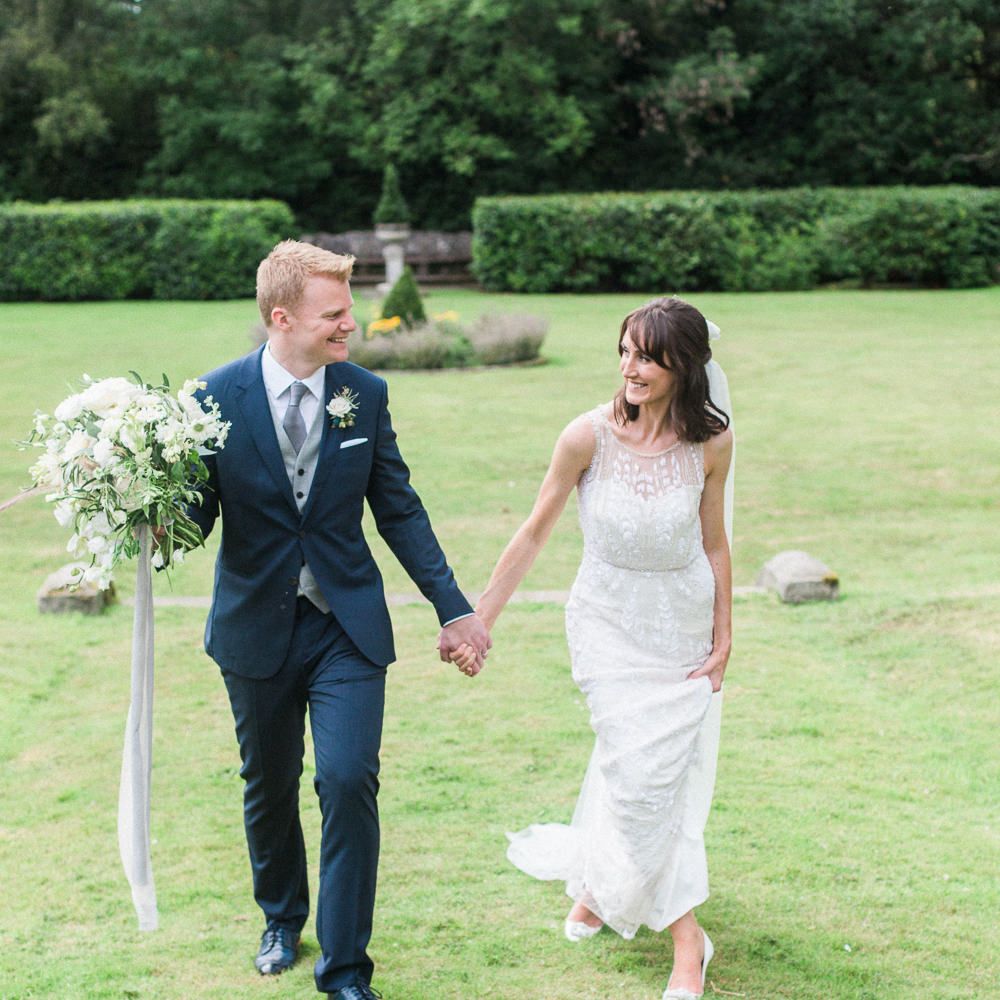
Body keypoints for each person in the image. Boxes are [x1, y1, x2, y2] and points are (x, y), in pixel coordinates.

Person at [186, 240, 490, 1000]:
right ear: (281, 318)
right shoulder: (214, 396)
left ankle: (347, 969)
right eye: (334, 314)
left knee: (349, 779)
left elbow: (399, 509)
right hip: (254, 627)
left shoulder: (365, 393)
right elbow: (193, 517)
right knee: (269, 783)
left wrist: (454, 608)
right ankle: (281, 919)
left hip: (345, 627)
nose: (350, 324)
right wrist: (145, 513)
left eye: (349, 310)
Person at [451, 297, 733, 999]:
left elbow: (715, 543)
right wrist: (478, 620)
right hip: (606, 623)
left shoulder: (711, 443)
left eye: (648, 357)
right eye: (625, 351)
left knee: (650, 773)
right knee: (637, 772)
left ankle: (599, 888)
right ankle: (689, 941)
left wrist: (725, 635)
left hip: (681, 625)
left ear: (684, 366)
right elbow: (533, 533)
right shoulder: (586, 437)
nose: (631, 368)